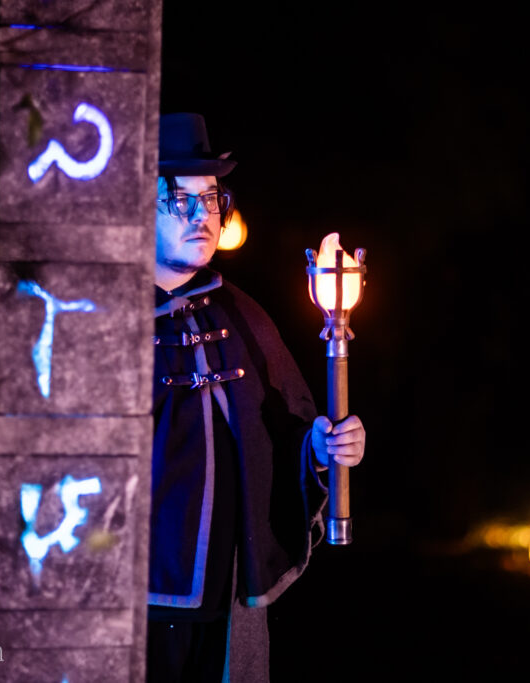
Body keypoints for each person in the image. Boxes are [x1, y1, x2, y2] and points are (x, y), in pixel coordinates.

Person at [147, 112, 366, 682]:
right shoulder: (102, 318)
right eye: (180, 200)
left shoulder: (243, 315)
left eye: (211, 199)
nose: (202, 216)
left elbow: (285, 431)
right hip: (136, 598)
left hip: (230, 598)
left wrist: (322, 449)